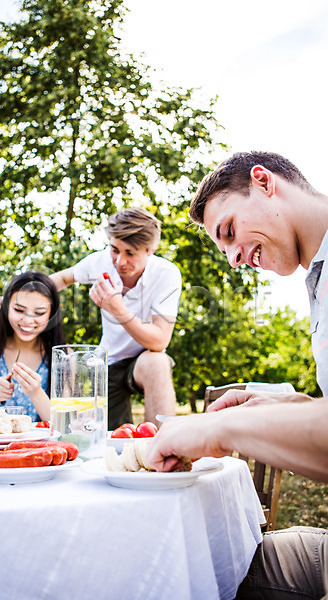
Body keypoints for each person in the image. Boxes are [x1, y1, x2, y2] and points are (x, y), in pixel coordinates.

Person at [147, 151, 328, 599]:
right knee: (197, 566)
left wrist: (221, 429)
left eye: (228, 231)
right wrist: (295, 407)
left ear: (264, 182)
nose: (233, 258)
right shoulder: (318, 279)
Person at [51, 208, 182, 429]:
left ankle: (165, 449)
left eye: (130, 253)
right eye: (114, 250)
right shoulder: (100, 262)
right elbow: (62, 278)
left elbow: (160, 341)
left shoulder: (166, 273)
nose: (120, 262)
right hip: (109, 362)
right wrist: (16, 294)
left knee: (158, 361)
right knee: (110, 439)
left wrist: (118, 309)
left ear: (151, 250)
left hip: (144, 359)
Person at [0, 271, 66, 421]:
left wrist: (36, 392)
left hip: (42, 445)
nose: (27, 320)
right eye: (19, 310)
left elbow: (65, 427)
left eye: (39, 313)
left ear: (51, 314)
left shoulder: (63, 356)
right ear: (6, 307)